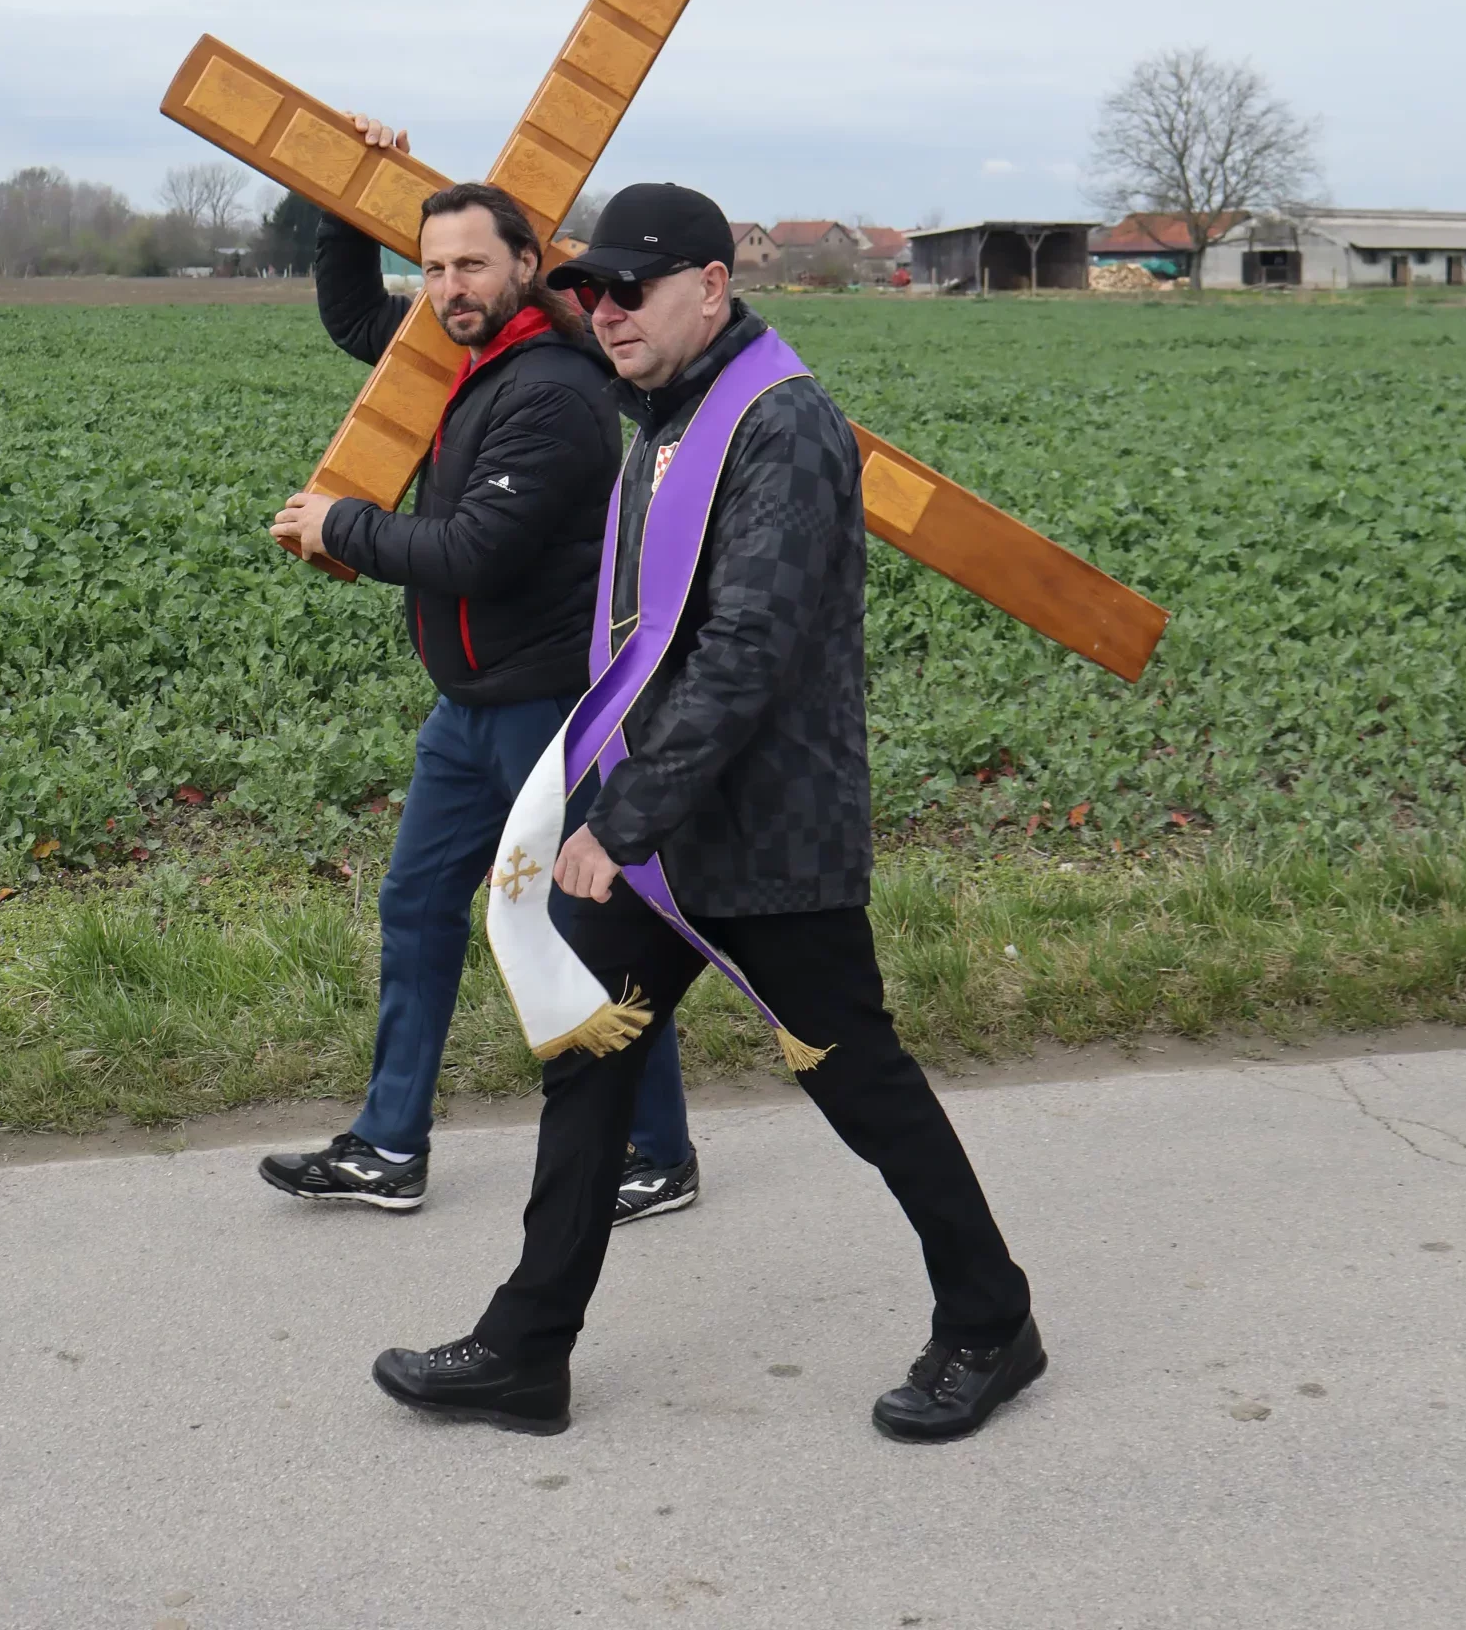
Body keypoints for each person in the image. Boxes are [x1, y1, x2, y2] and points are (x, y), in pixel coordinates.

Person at [371, 183, 1043, 1441]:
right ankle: (527, 1348)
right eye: (589, 290)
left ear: (713, 285)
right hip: (673, 826)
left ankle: (992, 1317)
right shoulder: (661, 417)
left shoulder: (777, 425)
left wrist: (619, 821)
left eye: (632, 287)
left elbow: (745, 652)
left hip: (764, 834)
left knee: (860, 1079)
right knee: (588, 1055)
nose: (605, 309)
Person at [258, 137, 696, 1223]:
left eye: (472, 267)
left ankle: (659, 1151)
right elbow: (361, 321)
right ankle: (387, 1145)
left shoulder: (552, 390)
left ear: (526, 265)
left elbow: (472, 552)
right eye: (434, 266)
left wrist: (340, 523)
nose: (449, 287)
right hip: (466, 711)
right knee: (415, 906)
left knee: (592, 922)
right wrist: (344, 203)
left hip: (549, 710)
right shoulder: (466, 355)